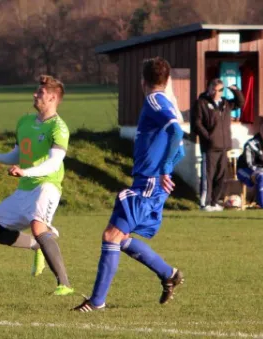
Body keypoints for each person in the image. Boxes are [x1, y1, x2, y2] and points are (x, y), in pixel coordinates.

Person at [73, 57, 185, 312]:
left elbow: (177, 133)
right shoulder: (166, 102)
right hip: (149, 182)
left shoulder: (154, 100)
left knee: (111, 236)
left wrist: (165, 169)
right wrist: (168, 167)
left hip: (147, 183)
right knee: (119, 238)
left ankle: (96, 302)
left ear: (142, 81)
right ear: (167, 80)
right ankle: (168, 273)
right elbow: (181, 148)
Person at [0, 75, 74, 296]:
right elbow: (19, 153)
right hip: (24, 187)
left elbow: (53, 164)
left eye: (40, 93)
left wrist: (26, 171)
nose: (35, 95)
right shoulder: (24, 122)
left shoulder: (59, 128)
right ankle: (36, 246)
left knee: (38, 225)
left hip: (47, 186)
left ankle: (65, 284)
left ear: (52, 97)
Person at [192, 78, 244, 211]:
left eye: (219, 90)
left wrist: (235, 91)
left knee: (221, 176)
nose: (216, 93)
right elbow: (197, 123)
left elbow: (240, 103)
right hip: (210, 147)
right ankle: (205, 203)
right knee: (208, 177)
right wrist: (208, 137)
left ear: (222, 91)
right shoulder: (201, 103)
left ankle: (215, 202)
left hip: (224, 147)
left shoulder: (225, 104)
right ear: (209, 89)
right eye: (213, 90)